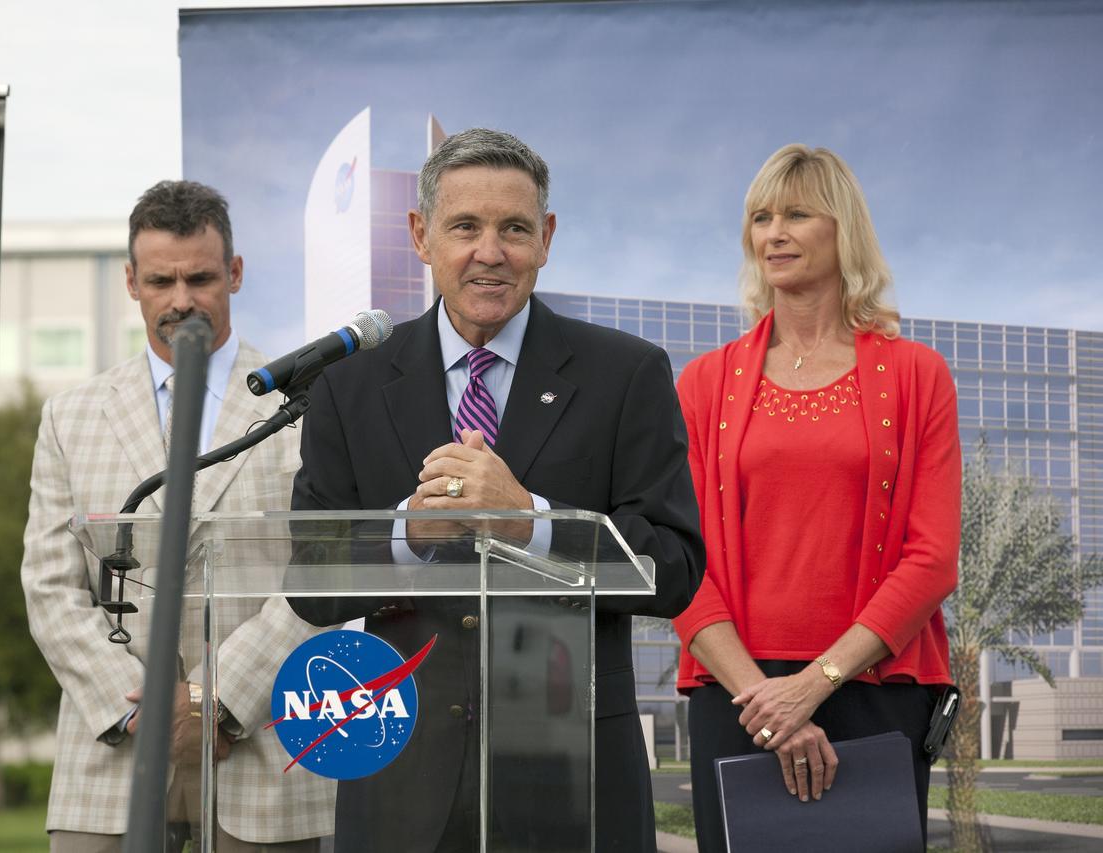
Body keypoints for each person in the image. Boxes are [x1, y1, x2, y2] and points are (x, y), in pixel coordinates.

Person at [288, 128, 704, 852]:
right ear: (421, 236)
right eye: (465, 227)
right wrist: (407, 533)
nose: (491, 251)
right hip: (400, 776)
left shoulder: (625, 374)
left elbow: (673, 568)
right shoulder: (347, 386)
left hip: (574, 777)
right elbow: (311, 577)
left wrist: (532, 522)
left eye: (514, 228)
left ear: (546, 238)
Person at [21, 180, 334, 852]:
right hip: (112, 750)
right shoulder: (71, 416)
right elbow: (50, 586)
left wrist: (215, 702)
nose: (182, 299)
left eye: (200, 277)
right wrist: (144, 711)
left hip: (265, 748)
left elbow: (320, 570)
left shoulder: (312, 406)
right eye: (162, 280)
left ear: (236, 273)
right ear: (131, 282)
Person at [671, 144, 960, 851]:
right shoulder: (703, 384)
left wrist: (813, 684)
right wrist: (767, 700)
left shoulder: (919, 375)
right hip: (736, 693)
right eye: (761, 217)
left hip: (875, 683)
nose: (773, 233)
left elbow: (933, 559)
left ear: (844, 231)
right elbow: (679, 559)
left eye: (797, 214)